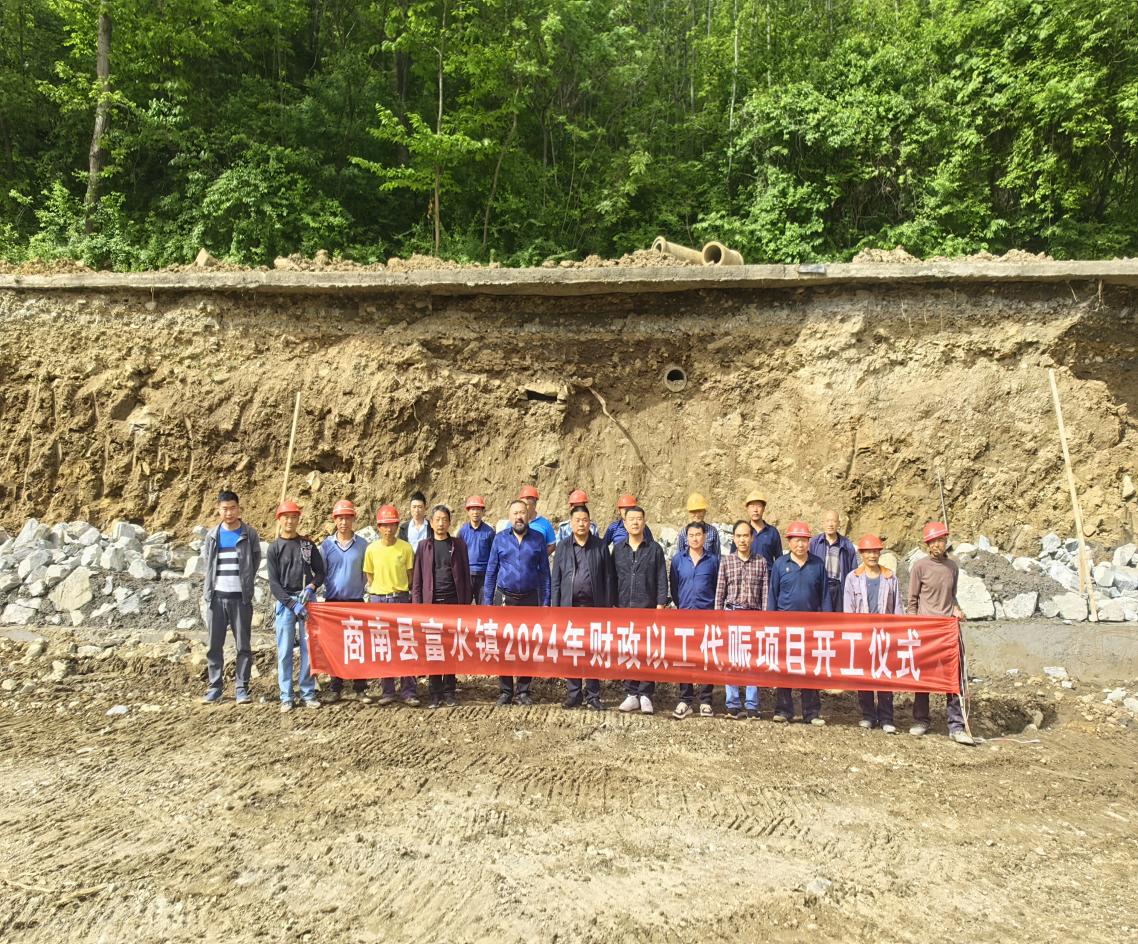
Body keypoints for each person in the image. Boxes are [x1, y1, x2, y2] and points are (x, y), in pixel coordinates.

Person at [907, 521, 974, 745]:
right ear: (927, 544)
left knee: (953, 677)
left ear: (946, 541)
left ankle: (956, 726)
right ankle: (921, 720)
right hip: (927, 630)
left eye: (940, 540)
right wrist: (914, 627)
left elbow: (951, 597)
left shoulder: (952, 567)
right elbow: (912, 601)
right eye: (933, 541)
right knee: (923, 677)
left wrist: (957, 610)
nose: (937, 544)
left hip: (947, 630)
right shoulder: (920, 567)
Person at [483, 499, 552, 705]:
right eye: (515, 513)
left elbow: (545, 574)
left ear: (528, 515)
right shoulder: (499, 539)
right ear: (509, 516)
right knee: (504, 645)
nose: (519, 517)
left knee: (527, 645)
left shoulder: (538, 539)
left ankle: (523, 690)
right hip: (505, 599)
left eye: (522, 513)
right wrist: (487, 602)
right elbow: (491, 571)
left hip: (530, 599)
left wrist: (546, 602)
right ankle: (506, 691)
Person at [550, 503, 615, 711]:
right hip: (570, 607)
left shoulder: (600, 545)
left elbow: (608, 577)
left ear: (590, 523)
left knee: (592, 650)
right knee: (572, 651)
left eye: (585, 520)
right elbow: (556, 580)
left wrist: (607, 607)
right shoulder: (563, 547)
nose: (581, 524)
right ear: (571, 523)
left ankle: (593, 695)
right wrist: (555, 608)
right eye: (577, 520)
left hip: (593, 608)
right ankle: (574, 694)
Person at [200, 490, 260, 705]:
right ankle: (215, 687)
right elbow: (208, 563)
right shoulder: (212, 535)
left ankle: (242, 688)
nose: (229, 512)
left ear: (239, 508)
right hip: (216, 598)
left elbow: (255, 560)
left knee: (243, 646)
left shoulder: (249, 534)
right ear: (218, 510)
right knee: (214, 645)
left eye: (233, 508)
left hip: (240, 599)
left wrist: (246, 584)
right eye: (225, 509)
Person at [267, 501, 325, 713]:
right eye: (286, 517)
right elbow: (274, 584)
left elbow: (320, 572)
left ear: (298, 519)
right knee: (284, 651)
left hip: (306, 600)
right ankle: (286, 696)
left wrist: (312, 587)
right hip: (286, 603)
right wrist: (291, 604)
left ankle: (308, 692)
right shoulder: (274, 548)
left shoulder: (307, 546)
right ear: (279, 520)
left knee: (308, 649)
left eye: (293, 517)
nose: (290, 521)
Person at [412, 505, 472, 709]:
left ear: (449, 522)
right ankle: (435, 692)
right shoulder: (423, 546)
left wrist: (465, 603)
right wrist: (418, 607)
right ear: (431, 522)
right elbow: (417, 580)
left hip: (453, 603)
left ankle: (449, 691)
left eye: (444, 519)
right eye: (437, 519)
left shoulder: (458, 545)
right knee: (434, 648)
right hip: (432, 605)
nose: (440, 523)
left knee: (451, 648)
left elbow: (466, 575)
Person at [843, 534, 904, 733]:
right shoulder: (853, 578)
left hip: (884, 634)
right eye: (868, 552)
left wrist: (898, 633)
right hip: (863, 634)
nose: (872, 555)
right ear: (861, 554)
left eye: (875, 551)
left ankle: (886, 717)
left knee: (884, 674)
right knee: (865, 676)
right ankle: (868, 715)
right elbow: (849, 609)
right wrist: (852, 633)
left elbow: (897, 607)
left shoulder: (890, 577)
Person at [767, 520, 826, 725]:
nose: (800, 545)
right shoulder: (780, 564)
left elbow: (824, 596)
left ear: (808, 542)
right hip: (785, 627)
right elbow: (773, 595)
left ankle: (812, 712)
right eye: (796, 540)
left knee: (809, 669)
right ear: (789, 542)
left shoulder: (818, 565)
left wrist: (826, 623)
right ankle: (783, 710)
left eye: (803, 541)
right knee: (785, 668)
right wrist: (771, 623)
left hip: (810, 627)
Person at [613, 506, 668, 714]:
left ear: (644, 522)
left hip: (648, 609)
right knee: (628, 651)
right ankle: (631, 693)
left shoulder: (655, 549)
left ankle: (645, 694)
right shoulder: (618, 549)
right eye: (631, 519)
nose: (635, 522)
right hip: (624, 609)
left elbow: (662, 578)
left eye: (639, 519)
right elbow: (612, 578)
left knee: (646, 651)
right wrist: (613, 604)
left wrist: (660, 605)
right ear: (625, 523)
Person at [364, 504, 420, 707]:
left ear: (397, 526)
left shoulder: (405, 548)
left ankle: (409, 691)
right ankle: (387, 691)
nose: (388, 529)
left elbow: (410, 575)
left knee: (405, 644)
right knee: (384, 646)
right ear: (379, 527)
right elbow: (369, 576)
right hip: (379, 600)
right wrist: (381, 591)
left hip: (401, 599)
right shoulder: (371, 549)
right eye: (384, 525)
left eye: (392, 525)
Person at [714, 521, 770, 719]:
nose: (742, 540)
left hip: (753, 615)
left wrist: (765, 620)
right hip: (732, 614)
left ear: (752, 538)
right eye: (738, 536)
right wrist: (718, 619)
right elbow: (720, 593)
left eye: (746, 536)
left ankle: (752, 704)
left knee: (752, 660)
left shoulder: (761, 562)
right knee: (732, 659)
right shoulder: (726, 561)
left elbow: (765, 593)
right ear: (733, 538)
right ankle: (733, 703)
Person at [320, 499, 370, 703]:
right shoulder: (326, 545)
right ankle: (336, 687)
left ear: (353, 519)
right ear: (334, 520)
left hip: (355, 601)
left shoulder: (363, 545)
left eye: (347, 518)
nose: (343, 522)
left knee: (358, 644)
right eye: (340, 518)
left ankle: (360, 688)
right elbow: (321, 573)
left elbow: (366, 573)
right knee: (335, 646)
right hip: (333, 602)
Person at [670, 520, 721, 719]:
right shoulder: (678, 560)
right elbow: (675, 587)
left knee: (707, 658)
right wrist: (682, 604)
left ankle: (706, 700)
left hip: (707, 615)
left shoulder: (713, 560)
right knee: (685, 658)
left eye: (698, 535)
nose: (695, 538)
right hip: (685, 616)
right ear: (686, 538)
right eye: (691, 535)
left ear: (705, 537)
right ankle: (686, 699)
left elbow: (717, 586)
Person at [809, 510, 858, 612]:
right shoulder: (814, 543)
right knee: (820, 617)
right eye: (827, 521)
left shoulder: (847, 544)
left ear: (839, 524)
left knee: (838, 618)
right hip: (820, 587)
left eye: (834, 521)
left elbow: (854, 571)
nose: (830, 524)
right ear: (823, 523)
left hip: (839, 588)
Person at [458, 495, 495, 605]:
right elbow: (458, 555)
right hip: (467, 574)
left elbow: (494, 555)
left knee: (484, 605)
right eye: (472, 509)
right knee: (464, 605)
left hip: (484, 575)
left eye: (478, 509)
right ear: (468, 511)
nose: (475, 512)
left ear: (482, 512)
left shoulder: (489, 532)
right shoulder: (462, 532)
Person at [674, 492, 720, 559]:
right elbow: (679, 557)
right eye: (693, 512)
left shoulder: (712, 531)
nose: (697, 515)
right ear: (689, 513)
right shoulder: (683, 533)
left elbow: (717, 556)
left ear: (704, 512)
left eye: (699, 511)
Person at [743, 490, 782, 566]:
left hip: (768, 573)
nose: (755, 510)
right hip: (746, 572)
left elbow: (779, 559)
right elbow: (733, 557)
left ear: (764, 508)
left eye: (759, 506)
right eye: (752, 506)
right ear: (747, 509)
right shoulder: (742, 531)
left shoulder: (772, 532)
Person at [519, 484, 557, 553]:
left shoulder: (545, 524)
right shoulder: (514, 522)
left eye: (526, 505)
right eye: (521, 505)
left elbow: (552, 544)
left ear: (534, 505)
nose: (523, 508)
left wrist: (542, 557)